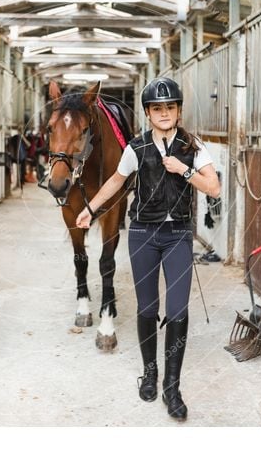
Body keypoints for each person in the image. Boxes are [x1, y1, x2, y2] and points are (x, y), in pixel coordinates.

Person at [75, 77, 220, 421]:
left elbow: (213, 188)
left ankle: (173, 386)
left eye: (170, 107)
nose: (164, 113)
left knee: (178, 311)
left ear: (179, 111)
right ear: (148, 113)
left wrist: (184, 171)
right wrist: (91, 209)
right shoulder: (136, 148)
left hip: (177, 236)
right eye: (158, 108)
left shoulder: (194, 147)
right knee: (146, 309)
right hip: (143, 234)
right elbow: (115, 181)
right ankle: (150, 371)